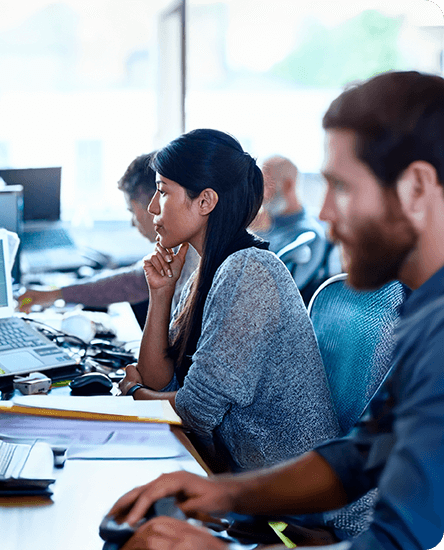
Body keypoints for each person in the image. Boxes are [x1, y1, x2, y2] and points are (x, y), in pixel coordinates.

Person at [109, 71, 444, 550]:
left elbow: (401, 540)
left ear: (414, 189)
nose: (324, 214)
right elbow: (358, 456)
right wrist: (219, 493)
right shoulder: (426, 317)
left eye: (341, 188)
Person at [118, 128, 338, 474]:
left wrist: (135, 394)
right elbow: (159, 381)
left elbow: (194, 410)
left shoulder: (248, 271)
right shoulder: (210, 267)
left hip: (290, 500)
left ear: (205, 202)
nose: (151, 207)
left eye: (162, 191)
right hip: (247, 476)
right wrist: (160, 293)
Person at [18, 153, 197, 315]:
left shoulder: (189, 254)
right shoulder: (177, 250)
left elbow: (133, 284)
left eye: (131, 211)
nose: (133, 222)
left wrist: (55, 294)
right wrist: (56, 294)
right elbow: (135, 281)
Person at [250, 155, 332, 301]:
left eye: (267, 185)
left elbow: (283, 291)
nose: (262, 194)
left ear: (288, 185)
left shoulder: (309, 235)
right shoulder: (260, 226)